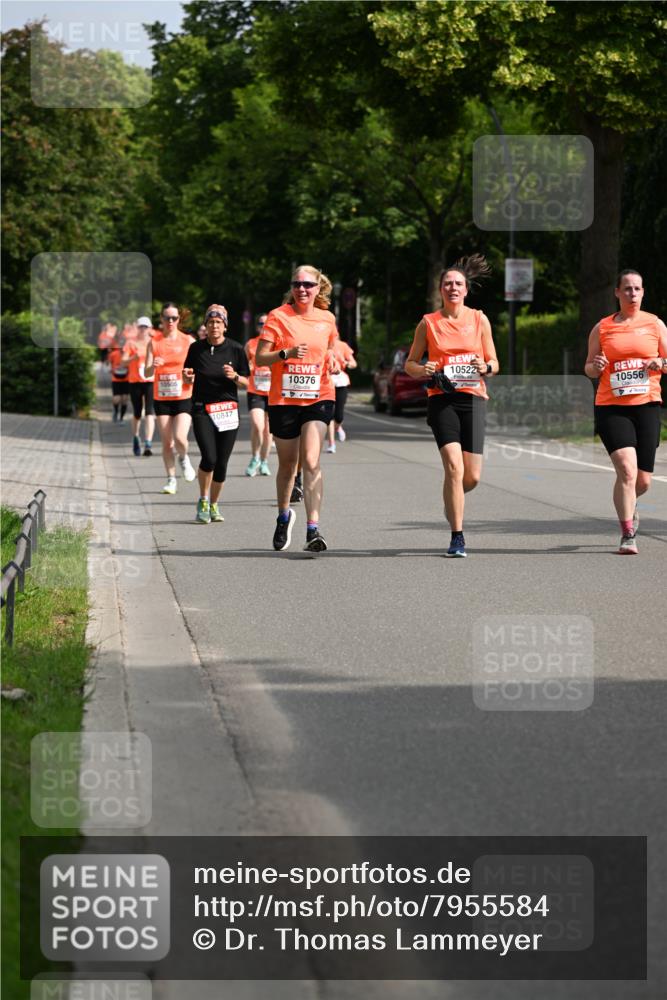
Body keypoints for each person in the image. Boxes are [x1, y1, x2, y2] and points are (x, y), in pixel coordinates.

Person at [405, 254, 498, 558]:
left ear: (466, 290)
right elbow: (410, 364)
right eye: (448, 284)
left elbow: (494, 362)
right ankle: (457, 536)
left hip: (473, 399)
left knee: (470, 477)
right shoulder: (428, 323)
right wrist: (424, 369)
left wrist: (484, 366)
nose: (453, 288)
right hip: (442, 399)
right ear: (441, 289)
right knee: (454, 467)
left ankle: (452, 495)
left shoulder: (479, 319)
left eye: (458, 283)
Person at [255, 265, 341, 552]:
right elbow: (261, 358)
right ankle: (283, 516)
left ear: (318, 288)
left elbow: (332, 345)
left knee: (312, 459)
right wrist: (286, 354)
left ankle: (313, 529)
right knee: (288, 464)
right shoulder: (278, 316)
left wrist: (332, 357)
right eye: (296, 284)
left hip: (320, 396)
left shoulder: (327, 319)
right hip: (284, 400)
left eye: (307, 285)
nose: (302, 289)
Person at [584, 269, 667, 554]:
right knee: (627, 472)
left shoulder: (656, 325)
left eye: (637, 289)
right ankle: (627, 533)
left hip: (646, 406)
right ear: (617, 293)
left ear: (643, 293)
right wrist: (597, 367)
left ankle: (630, 502)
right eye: (627, 289)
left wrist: (660, 362)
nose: (632, 294)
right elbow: (588, 367)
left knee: (642, 480)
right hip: (612, 407)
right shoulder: (603, 327)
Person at [183, 305, 250, 523]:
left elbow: (248, 382)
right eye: (210, 322)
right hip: (202, 408)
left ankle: (214, 504)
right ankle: (203, 499)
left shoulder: (236, 349)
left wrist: (235, 376)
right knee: (209, 458)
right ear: (206, 325)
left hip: (228, 410)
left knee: (222, 463)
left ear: (225, 326)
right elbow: (187, 376)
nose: (214, 326)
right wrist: (186, 376)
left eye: (218, 322)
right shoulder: (196, 349)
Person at [144, 302, 196, 494]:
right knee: (167, 442)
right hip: (162, 398)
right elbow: (147, 372)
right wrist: (153, 366)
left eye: (174, 318)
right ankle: (171, 479)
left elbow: (197, 368)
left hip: (183, 395)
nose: (171, 321)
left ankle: (184, 458)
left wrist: (191, 376)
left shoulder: (188, 341)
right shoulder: (154, 341)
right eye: (167, 318)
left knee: (180, 438)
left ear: (179, 319)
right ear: (161, 320)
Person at [244, 314, 273, 476]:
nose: (263, 326)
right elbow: (242, 366)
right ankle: (254, 457)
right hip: (255, 390)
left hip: (272, 392)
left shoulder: (276, 344)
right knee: (257, 425)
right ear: (257, 326)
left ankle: (264, 461)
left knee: (268, 430)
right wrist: (247, 367)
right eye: (261, 323)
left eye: (266, 324)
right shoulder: (251, 344)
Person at [127, 317, 155, 456]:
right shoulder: (131, 343)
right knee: (137, 413)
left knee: (149, 412)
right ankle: (136, 437)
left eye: (146, 327)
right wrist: (133, 358)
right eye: (141, 327)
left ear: (150, 328)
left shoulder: (154, 342)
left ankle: (148, 442)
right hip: (135, 381)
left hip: (150, 381)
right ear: (137, 328)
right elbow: (122, 362)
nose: (143, 329)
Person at [325, 337, 357, 453]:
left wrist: (347, 363)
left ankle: (338, 427)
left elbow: (354, 363)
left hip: (341, 382)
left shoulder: (342, 345)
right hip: (326, 382)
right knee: (329, 415)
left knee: (339, 416)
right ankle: (331, 443)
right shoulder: (321, 343)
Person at [107, 329, 130, 423]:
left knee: (124, 399)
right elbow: (109, 364)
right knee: (116, 399)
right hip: (116, 379)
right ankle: (116, 412)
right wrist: (112, 369)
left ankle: (121, 418)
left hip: (126, 379)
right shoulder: (113, 354)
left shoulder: (129, 355)